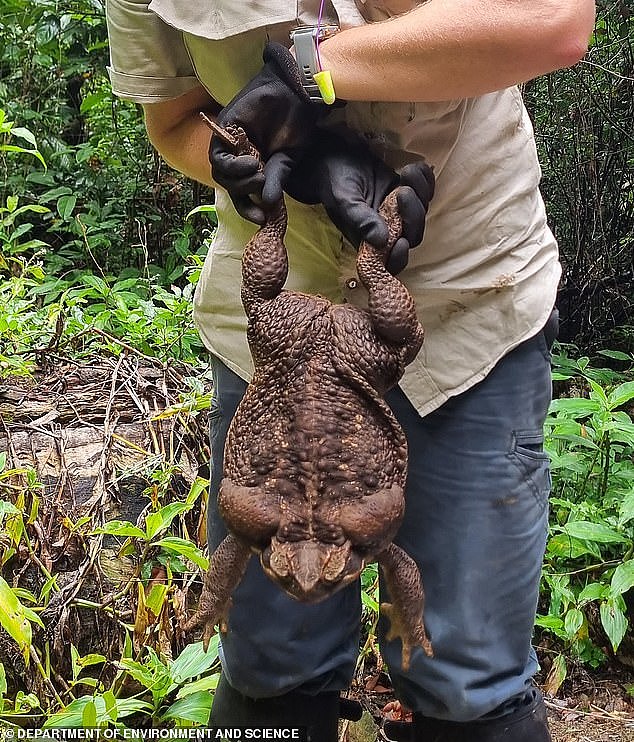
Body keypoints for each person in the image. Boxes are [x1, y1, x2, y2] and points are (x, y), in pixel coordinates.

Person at [106, 1, 595, 740]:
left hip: (467, 301)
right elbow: (174, 122)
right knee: (268, 664)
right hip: (272, 330)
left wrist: (305, 73)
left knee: (469, 679)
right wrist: (251, 166)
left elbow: (556, 22)